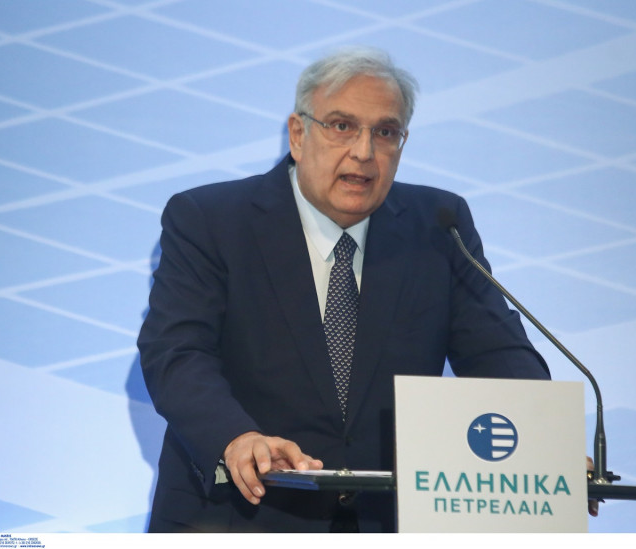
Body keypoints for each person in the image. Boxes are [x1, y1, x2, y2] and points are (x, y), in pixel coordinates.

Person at [137, 47, 550, 533]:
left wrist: (546, 448)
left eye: (385, 132)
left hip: (386, 521)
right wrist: (236, 437)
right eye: (341, 126)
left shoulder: (439, 227)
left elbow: (497, 352)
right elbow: (177, 352)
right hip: (238, 518)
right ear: (298, 134)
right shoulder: (211, 220)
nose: (364, 152)